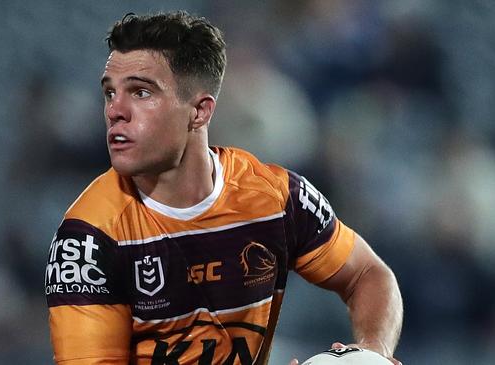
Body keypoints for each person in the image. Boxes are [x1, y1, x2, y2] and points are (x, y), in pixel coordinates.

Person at [45, 11, 403, 365]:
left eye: (140, 92)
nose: (115, 110)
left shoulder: (276, 198)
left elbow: (368, 275)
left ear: (199, 112)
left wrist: (372, 355)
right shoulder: (88, 239)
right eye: (110, 93)